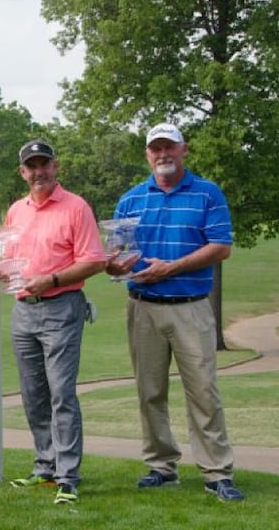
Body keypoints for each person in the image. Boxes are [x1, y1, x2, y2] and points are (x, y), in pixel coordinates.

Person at [107, 122, 244, 501]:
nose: (163, 154)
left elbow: (221, 246)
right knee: (149, 391)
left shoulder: (206, 193)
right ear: (147, 154)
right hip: (143, 307)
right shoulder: (131, 199)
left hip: (190, 307)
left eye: (170, 147)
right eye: (156, 148)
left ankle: (217, 472)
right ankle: (161, 466)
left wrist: (170, 267)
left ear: (184, 150)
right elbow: (116, 253)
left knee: (203, 391)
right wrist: (115, 265)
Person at [0, 139, 106, 505]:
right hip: (24, 309)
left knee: (61, 393)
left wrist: (53, 279)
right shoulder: (16, 211)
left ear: (56, 167)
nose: (39, 171)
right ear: (22, 172)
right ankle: (45, 465)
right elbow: (9, 257)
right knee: (33, 394)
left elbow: (93, 260)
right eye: (32, 166)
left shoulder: (76, 207)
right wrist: (2, 269)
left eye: (45, 164)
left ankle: (68, 475)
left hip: (62, 306)